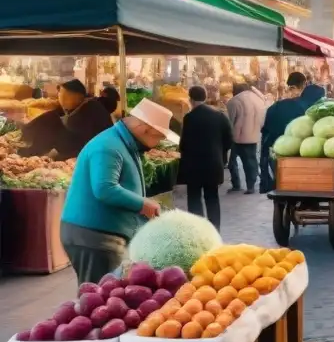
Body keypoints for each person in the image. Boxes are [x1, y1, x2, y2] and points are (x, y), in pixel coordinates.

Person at [60, 100, 176, 284]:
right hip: (93, 236)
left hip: (102, 235)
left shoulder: (123, 143)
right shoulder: (108, 147)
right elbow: (105, 189)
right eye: (158, 137)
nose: (157, 143)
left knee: (105, 293)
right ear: (144, 128)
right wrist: (142, 204)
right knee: (98, 297)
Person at [259, 73, 326, 193]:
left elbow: (265, 134)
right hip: (302, 156)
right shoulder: (313, 111)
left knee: (281, 186)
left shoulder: (277, 106)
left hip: (277, 153)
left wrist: (264, 165)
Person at [177, 86, 233, 229]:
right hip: (214, 164)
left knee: (194, 197)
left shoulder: (189, 118)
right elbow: (229, 140)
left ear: (190, 99)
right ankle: (215, 229)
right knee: (212, 197)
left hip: (194, 165)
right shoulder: (220, 116)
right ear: (205, 97)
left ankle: (198, 230)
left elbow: (183, 143)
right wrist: (220, 154)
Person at [226, 82, 267, 195]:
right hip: (253, 136)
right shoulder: (259, 99)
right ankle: (251, 186)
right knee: (251, 162)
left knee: (231, 162)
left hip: (236, 137)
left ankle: (236, 185)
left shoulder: (234, 101)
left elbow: (229, 121)